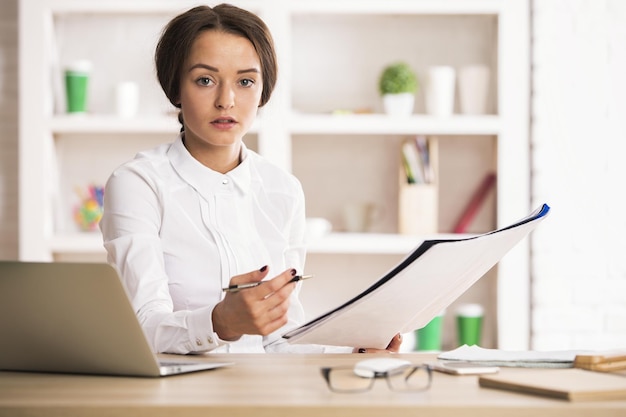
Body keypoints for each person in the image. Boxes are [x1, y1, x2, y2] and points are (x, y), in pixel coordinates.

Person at [100, 4, 402, 354]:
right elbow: (142, 326)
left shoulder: (283, 190)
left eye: (245, 81)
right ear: (176, 89)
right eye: (205, 80)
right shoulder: (138, 184)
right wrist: (219, 322)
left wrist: (353, 352)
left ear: (263, 91)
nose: (226, 100)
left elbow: (279, 339)